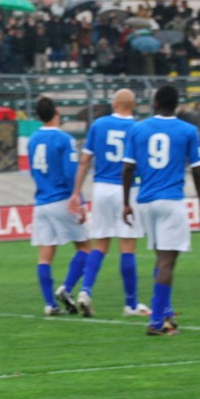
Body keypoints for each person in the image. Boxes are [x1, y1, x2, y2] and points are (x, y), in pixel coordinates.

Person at [122, 85, 200, 336]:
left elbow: (127, 169)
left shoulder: (138, 129)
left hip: (146, 201)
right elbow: (198, 169)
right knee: (168, 261)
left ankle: (166, 312)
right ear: (176, 105)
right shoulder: (188, 130)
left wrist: (126, 202)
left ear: (156, 103)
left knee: (161, 258)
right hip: (171, 200)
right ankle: (157, 322)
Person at [69, 89, 150, 317]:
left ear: (114, 103)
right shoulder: (139, 128)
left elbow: (84, 161)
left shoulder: (99, 124)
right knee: (127, 246)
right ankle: (131, 304)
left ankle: (85, 290)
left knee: (100, 245)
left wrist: (76, 192)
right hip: (127, 189)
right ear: (133, 106)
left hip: (101, 188)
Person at [27, 96, 91, 316]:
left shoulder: (32, 139)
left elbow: (32, 171)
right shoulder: (65, 139)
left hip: (41, 202)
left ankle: (49, 305)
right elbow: (70, 173)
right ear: (56, 112)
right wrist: (78, 200)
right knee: (85, 248)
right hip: (62, 199)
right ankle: (66, 288)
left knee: (45, 257)